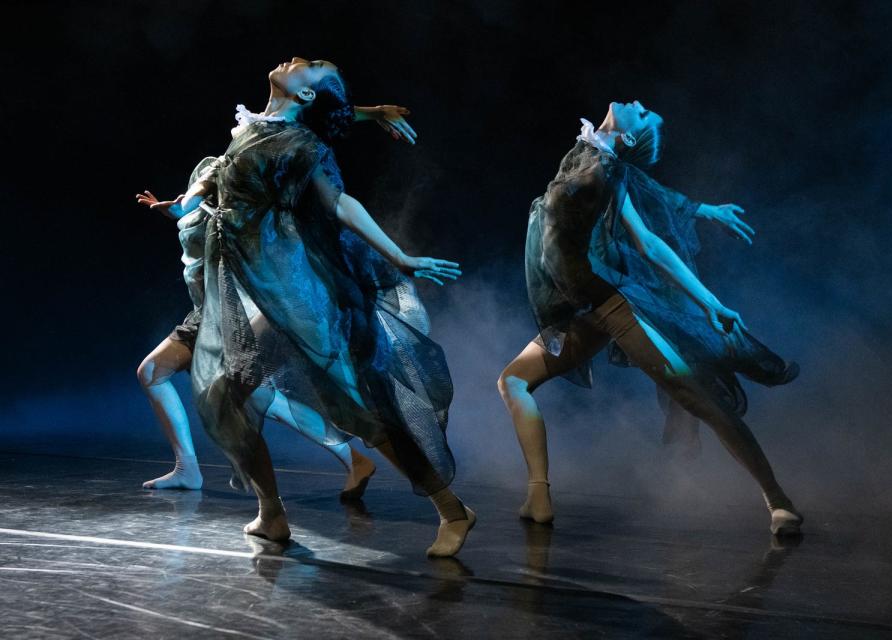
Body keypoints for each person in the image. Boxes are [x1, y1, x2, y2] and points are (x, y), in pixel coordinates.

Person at [141, 57, 474, 557]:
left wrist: (400, 256)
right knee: (239, 393)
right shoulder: (258, 126)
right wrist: (368, 111)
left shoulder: (304, 146)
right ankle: (271, 514)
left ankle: (453, 510)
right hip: (257, 285)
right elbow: (271, 142)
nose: (296, 60)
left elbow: (340, 204)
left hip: (295, 291)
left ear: (307, 95)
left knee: (358, 408)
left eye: (310, 67)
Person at [497, 101, 802, 535]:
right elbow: (648, 190)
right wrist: (703, 210)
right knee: (512, 381)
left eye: (641, 116)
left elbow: (651, 245)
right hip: (577, 312)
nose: (638, 105)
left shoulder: (605, 169)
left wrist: (710, 302)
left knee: (695, 396)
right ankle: (539, 494)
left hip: (612, 305)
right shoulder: (594, 152)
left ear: (627, 138)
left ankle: (778, 501)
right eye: (643, 110)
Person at [135, 100, 417, 497]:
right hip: (220, 306)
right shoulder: (224, 171)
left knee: (157, 373)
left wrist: (372, 113)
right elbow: (193, 207)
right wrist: (173, 208)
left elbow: (311, 117)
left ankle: (211, 479)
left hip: (235, 305)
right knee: (262, 395)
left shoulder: (254, 175)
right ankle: (349, 461)